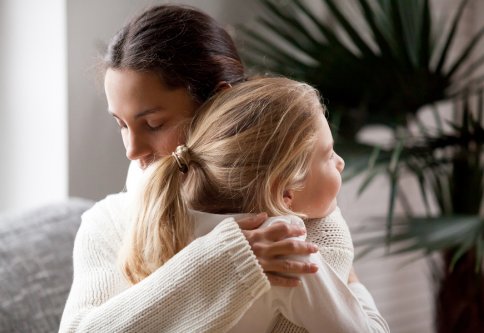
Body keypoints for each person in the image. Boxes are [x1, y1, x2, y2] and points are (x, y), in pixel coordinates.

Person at [59, 5, 387, 333]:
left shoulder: (300, 214)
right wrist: (220, 263)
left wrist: (346, 273)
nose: (132, 151)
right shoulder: (107, 224)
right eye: (121, 124)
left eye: (154, 124)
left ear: (217, 102)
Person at [122, 77, 389, 333]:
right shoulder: (282, 246)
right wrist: (353, 283)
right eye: (328, 155)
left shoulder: (169, 215)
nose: (340, 162)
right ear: (286, 193)